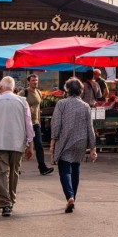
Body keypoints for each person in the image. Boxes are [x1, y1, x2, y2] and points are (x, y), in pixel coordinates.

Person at [0, 76, 34, 217]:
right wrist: (30, 144)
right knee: (14, 171)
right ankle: (11, 200)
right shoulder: (23, 102)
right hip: (17, 142)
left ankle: (5, 205)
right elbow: (29, 124)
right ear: (13, 88)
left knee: (2, 173)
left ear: (1, 88)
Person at [50, 78, 97, 213]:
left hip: (65, 141)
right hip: (81, 142)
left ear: (67, 90)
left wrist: (53, 142)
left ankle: (70, 197)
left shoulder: (61, 104)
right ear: (80, 91)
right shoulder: (85, 106)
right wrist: (93, 148)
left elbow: (56, 124)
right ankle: (73, 198)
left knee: (64, 170)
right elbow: (90, 128)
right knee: (75, 169)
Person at [18, 74, 54, 177]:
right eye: (33, 80)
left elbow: (38, 108)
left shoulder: (38, 92)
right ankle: (17, 167)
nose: (35, 82)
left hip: (35, 123)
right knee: (21, 145)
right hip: (24, 123)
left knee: (39, 145)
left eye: (36, 80)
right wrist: (27, 108)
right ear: (28, 82)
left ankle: (42, 167)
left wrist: (38, 120)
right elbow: (17, 105)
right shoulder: (23, 93)